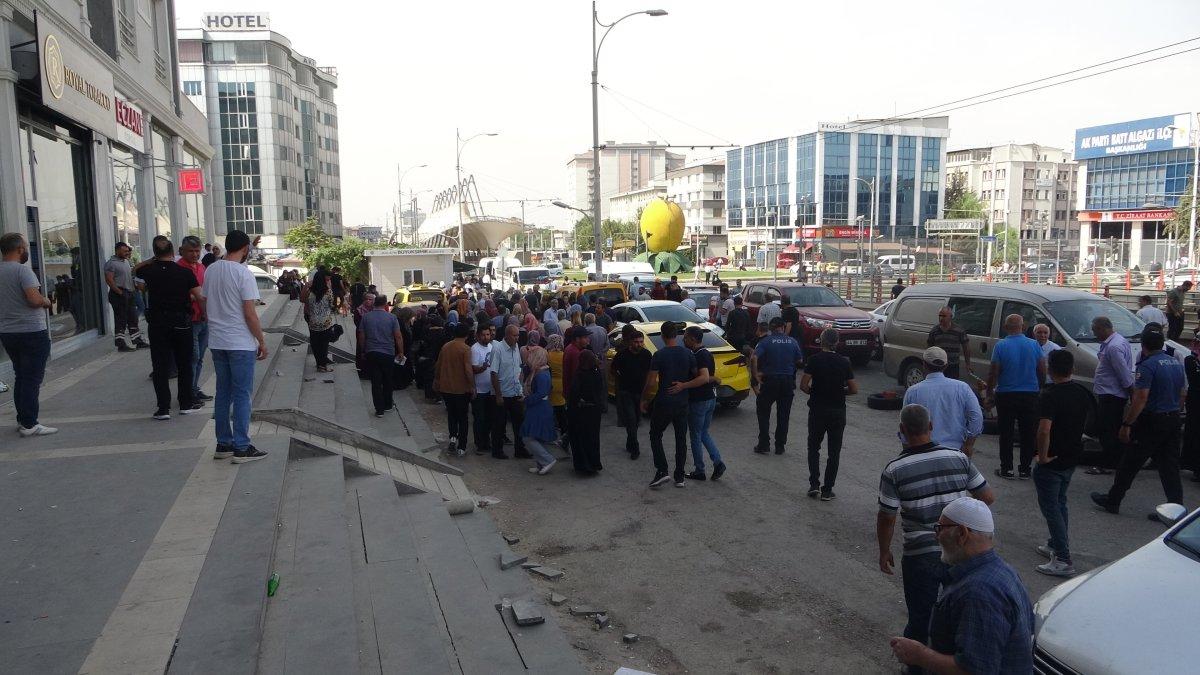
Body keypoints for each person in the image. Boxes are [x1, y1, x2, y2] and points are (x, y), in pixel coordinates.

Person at [877, 404, 994, 659]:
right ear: (931, 426)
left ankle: (916, 664)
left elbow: (887, 517)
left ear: (902, 431)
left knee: (921, 616)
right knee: (959, 612)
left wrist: (884, 551)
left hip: (920, 554)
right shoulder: (959, 458)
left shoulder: (894, 469)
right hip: (961, 550)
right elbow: (986, 496)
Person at [889, 497, 1033, 675]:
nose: (936, 536)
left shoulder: (980, 593)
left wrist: (919, 655)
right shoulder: (1002, 572)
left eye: (940, 528)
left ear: (962, 534)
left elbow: (975, 670)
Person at [1091, 326, 1186, 516]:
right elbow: (1183, 393)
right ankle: (1176, 509)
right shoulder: (1175, 363)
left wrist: (1127, 424)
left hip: (1152, 421)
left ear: (1143, 346)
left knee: (1130, 462)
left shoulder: (1147, 366)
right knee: (1169, 467)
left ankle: (1113, 500)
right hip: (1172, 418)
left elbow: (1140, 398)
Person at [203, 230, 268, 463]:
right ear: (245, 248)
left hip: (218, 341)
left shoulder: (211, 270)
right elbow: (250, 314)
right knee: (242, 395)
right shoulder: (244, 274)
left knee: (223, 393)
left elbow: (206, 300)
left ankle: (224, 444)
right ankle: (242, 446)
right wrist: (261, 340)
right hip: (239, 342)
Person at [1033, 349, 1093, 577]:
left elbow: (1044, 428)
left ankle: (1063, 557)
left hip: (1053, 459)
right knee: (1060, 502)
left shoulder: (1050, 394)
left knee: (1052, 508)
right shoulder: (1081, 392)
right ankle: (1055, 543)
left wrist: (1042, 454)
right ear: (1072, 369)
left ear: (1050, 368)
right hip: (1071, 456)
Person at [135, 236, 204, 420]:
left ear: (155, 253)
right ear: (174, 252)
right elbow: (199, 296)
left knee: (160, 366)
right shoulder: (184, 272)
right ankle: (186, 404)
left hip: (158, 325)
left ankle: (163, 408)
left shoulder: (149, 271)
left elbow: (134, 271)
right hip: (182, 323)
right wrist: (204, 315)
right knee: (184, 364)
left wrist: (152, 261)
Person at [0, 233, 56, 436]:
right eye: (24, 247)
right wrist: (46, 301)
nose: (26, 250)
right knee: (31, 379)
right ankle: (30, 424)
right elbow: (33, 299)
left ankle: (23, 419)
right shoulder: (22, 272)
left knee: (21, 377)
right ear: (19, 249)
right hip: (31, 331)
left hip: (8, 332)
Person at [986, 314, 1045, 479]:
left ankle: (1007, 469)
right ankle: (1025, 469)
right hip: (1030, 394)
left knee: (1006, 433)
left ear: (1005, 327)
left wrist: (990, 393)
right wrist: (1040, 388)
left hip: (1006, 394)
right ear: (1024, 327)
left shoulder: (1001, 346)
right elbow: (1042, 369)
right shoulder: (1034, 345)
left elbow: (994, 371)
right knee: (1028, 433)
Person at [800, 328, 856, 499]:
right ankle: (827, 490)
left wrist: (816, 392)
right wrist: (839, 392)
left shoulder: (814, 360)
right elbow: (854, 389)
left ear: (821, 341)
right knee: (834, 452)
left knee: (813, 447)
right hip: (837, 410)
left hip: (818, 409)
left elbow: (803, 385)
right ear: (837, 342)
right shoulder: (844, 362)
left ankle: (814, 484)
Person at [641, 321, 695, 488]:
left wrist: (644, 399)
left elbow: (651, 382)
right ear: (677, 335)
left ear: (663, 336)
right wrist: (683, 385)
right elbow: (695, 375)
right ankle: (679, 476)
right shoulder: (688, 354)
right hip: (682, 402)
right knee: (681, 439)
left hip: (664, 401)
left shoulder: (659, 355)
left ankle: (662, 470)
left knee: (655, 434)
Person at [671, 325, 726, 482]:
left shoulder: (700, 355)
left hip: (699, 400)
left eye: (686, 337)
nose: (683, 339)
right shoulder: (704, 353)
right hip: (709, 398)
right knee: (703, 433)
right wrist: (713, 379)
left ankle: (699, 470)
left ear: (693, 339)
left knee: (695, 435)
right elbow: (708, 377)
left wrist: (683, 385)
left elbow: (703, 377)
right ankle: (717, 462)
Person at [903, 347, 983, 455]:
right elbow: (977, 417)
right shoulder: (962, 387)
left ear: (924, 364)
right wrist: (969, 445)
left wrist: (908, 451)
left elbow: (905, 425)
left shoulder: (913, 391)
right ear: (946, 366)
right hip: (955, 452)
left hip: (923, 453)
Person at [1087, 315, 1134, 476]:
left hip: (1112, 394)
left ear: (1102, 328)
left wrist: (1131, 393)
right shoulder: (1117, 341)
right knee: (1110, 429)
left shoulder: (1113, 347)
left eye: (1095, 330)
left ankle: (1108, 463)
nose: (1094, 334)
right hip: (1111, 393)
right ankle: (1114, 461)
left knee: (1108, 431)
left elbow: (1123, 374)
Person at [751, 317, 805, 455]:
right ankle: (780, 446)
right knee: (783, 415)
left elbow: (753, 358)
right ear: (783, 326)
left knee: (763, 411)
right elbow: (799, 360)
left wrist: (755, 374)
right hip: (787, 382)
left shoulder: (765, 342)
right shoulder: (792, 341)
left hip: (770, 381)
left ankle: (764, 444)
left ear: (771, 328)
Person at [177, 237, 212, 402]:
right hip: (189, 320)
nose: (194, 254)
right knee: (192, 357)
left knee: (200, 358)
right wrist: (195, 297)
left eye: (197, 251)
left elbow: (205, 291)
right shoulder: (178, 269)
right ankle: (188, 392)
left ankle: (194, 388)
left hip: (204, 318)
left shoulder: (201, 267)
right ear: (181, 251)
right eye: (190, 251)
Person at [358, 295, 404, 417]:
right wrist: (401, 351)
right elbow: (398, 336)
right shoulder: (392, 318)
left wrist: (363, 350)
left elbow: (361, 336)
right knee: (387, 379)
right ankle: (388, 404)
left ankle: (379, 409)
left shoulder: (366, 317)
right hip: (387, 352)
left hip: (371, 352)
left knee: (376, 381)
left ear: (374, 304)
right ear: (385, 305)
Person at [610, 324, 651, 459]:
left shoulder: (646, 355)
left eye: (641, 342)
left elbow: (650, 372)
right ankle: (635, 448)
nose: (639, 344)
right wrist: (621, 379)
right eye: (636, 342)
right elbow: (613, 369)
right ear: (630, 342)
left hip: (640, 393)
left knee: (636, 420)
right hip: (626, 392)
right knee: (631, 420)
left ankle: (630, 441)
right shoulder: (622, 355)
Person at [491, 324, 531, 460]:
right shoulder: (498, 350)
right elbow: (494, 373)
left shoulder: (516, 349)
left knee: (519, 423)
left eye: (518, 335)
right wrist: (498, 395)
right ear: (507, 335)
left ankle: (520, 449)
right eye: (515, 335)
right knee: (499, 424)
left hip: (515, 393)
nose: (517, 338)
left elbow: (518, 370)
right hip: (503, 394)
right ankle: (497, 450)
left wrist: (520, 388)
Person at [434, 323, 474, 455]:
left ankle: (452, 437)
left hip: (446, 388)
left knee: (451, 415)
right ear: (467, 335)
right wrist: (472, 385)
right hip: (461, 389)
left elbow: (438, 365)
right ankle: (461, 446)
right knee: (463, 418)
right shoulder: (465, 349)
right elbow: (468, 370)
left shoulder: (445, 347)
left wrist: (437, 380)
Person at [521, 346, 558, 474]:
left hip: (539, 408)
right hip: (540, 407)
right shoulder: (541, 371)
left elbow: (541, 393)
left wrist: (526, 399)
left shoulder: (541, 374)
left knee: (528, 436)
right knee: (537, 437)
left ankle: (547, 460)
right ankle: (541, 463)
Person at [104, 242, 147, 352]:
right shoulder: (111, 263)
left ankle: (137, 341)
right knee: (121, 320)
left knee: (133, 318)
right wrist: (119, 292)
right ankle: (120, 344)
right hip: (119, 294)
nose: (127, 253)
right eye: (124, 251)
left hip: (130, 293)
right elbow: (109, 279)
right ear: (117, 250)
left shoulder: (126, 261)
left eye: (127, 251)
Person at [570, 349, 606, 474]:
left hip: (581, 411)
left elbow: (574, 393)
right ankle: (593, 463)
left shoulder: (580, 374)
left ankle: (583, 465)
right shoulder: (597, 373)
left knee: (581, 438)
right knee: (593, 438)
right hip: (594, 411)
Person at [470, 324, 499, 457]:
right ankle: (479, 444)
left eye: (488, 334)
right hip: (479, 390)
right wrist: (483, 367)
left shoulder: (492, 347)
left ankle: (487, 441)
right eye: (484, 334)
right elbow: (474, 369)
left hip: (490, 389)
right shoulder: (475, 349)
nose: (487, 336)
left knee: (489, 418)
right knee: (479, 418)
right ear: (478, 335)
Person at [301, 271, 336, 373]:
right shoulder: (328, 291)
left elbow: (303, 301)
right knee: (324, 344)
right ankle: (323, 365)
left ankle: (319, 364)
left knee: (315, 344)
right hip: (326, 322)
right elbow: (331, 305)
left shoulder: (309, 291)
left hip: (313, 322)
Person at [926, 306, 970, 380]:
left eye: (944, 316)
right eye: (940, 316)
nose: (941, 318)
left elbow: (966, 347)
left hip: (953, 366)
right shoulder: (934, 331)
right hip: (938, 366)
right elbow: (929, 348)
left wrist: (968, 364)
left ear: (951, 317)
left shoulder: (959, 330)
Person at [545, 334, 570, 453]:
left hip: (551, 384)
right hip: (562, 384)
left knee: (550, 413)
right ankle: (564, 435)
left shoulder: (547, 355)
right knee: (561, 413)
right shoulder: (564, 355)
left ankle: (549, 435)